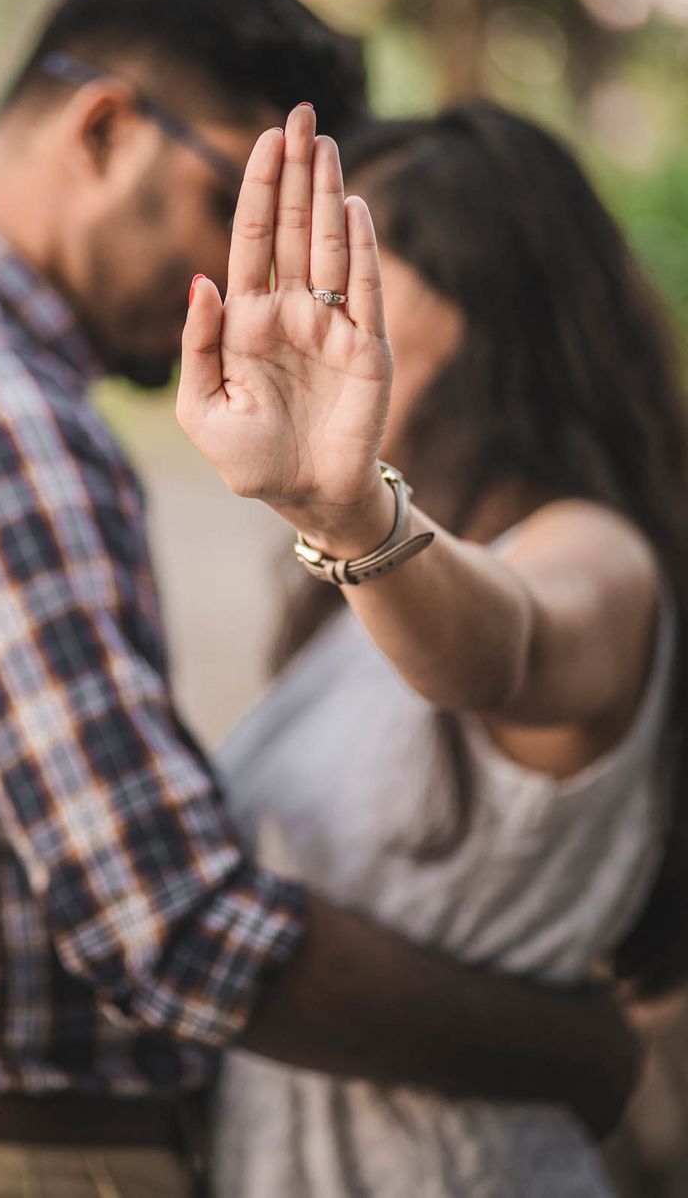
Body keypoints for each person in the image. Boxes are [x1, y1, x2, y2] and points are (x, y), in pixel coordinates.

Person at [0, 0, 635, 1198]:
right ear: (105, 126)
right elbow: (168, 926)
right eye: (235, 202)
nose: (242, 279)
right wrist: (573, 1052)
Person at [174, 101, 688, 1197]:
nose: (300, 310)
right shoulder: (347, 594)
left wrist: (357, 519)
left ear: (478, 303)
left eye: (342, 270)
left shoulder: (592, 551)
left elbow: (503, 652)